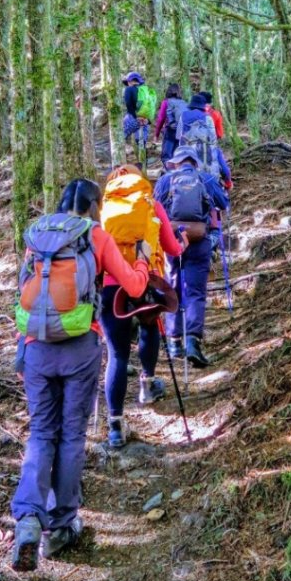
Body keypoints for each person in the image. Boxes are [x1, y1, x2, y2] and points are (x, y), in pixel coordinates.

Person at [11, 178, 151, 573]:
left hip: (36, 347)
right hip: (79, 349)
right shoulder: (97, 237)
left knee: (41, 431)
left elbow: (25, 290)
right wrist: (142, 257)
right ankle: (61, 526)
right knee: (71, 434)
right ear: (94, 206)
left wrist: (24, 346)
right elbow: (135, 285)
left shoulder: (38, 235)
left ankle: (28, 519)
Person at [99, 165, 187, 448]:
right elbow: (172, 248)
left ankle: (115, 425)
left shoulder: (104, 210)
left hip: (111, 287)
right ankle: (147, 385)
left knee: (117, 355)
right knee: (150, 328)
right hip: (145, 279)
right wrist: (182, 243)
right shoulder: (151, 205)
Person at [154, 146, 229, 368]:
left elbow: (154, 208)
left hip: (172, 239)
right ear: (194, 162)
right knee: (196, 291)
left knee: (172, 287)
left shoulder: (165, 181)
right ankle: (193, 342)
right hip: (199, 239)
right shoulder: (205, 179)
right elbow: (223, 203)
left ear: (177, 162)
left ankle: (174, 341)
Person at [177, 93, 218, 171]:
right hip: (203, 151)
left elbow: (179, 136)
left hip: (187, 151)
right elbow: (213, 139)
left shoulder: (183, 116)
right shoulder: (207, 117)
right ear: (203, 106)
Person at [154, 83, 188, 167]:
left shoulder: (166, 102)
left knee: (166, 156)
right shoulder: (183, 103)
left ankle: (170, 176)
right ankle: (178, 176)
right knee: (177, 156)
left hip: (170, 131)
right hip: (182, 132)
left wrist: (156, 134)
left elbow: (161, 118)